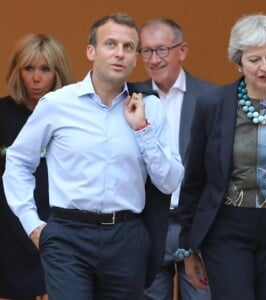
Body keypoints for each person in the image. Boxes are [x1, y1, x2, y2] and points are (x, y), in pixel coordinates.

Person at [2, 13, 184, 300]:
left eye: (127, 47)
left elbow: (170, 181)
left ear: (135, 59)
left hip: (127, 236)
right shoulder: (57, 104)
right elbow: (18, 161)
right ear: (91, 51)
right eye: (110, 44)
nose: (119, 54)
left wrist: (142, 130)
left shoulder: (149, 107)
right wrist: (33, 224)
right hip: (68, 236)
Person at [177, 13, 266, 300]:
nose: (265, 67)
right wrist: (188, 246)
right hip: (227, 225)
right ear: (238, 62)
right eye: (254, 59)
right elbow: (194, 177)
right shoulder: (213, 104)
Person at [140, 18, 215, 300]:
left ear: (182, 50)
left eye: (161, 50)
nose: (153, 59)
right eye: (146, 51)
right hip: (149, 224)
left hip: (196, 226)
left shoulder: (211, 97)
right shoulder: (132, 96)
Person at [0, 34, 73, 300]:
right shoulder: (2, 114)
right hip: (9, 233)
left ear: (58, 72)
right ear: (17, 71)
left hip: (59, 232)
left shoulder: (72, 116)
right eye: (28, 68)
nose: (36, 78)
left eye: (45, 69)